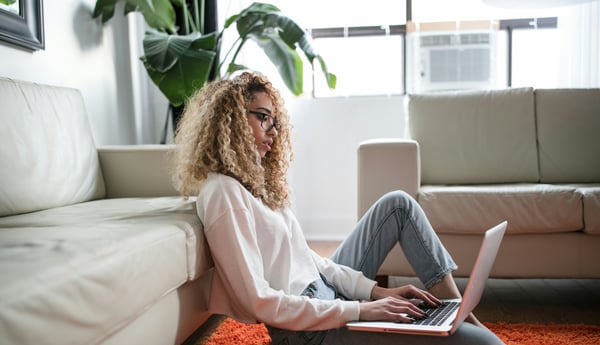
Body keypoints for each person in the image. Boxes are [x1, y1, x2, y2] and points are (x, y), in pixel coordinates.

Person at [172, 72, 504, 345]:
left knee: (398, 204)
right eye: (263, 118)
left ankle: (459, 312)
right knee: (484, 344)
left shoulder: (257, 185)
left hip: (329, 299)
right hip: (307, 331)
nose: (273, 131)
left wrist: (375, 292)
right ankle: (460, 325)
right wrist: (361, 310)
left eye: (275, 121)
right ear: (230, 121)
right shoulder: (223, 193)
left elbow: (309, 259)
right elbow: (257, 300)